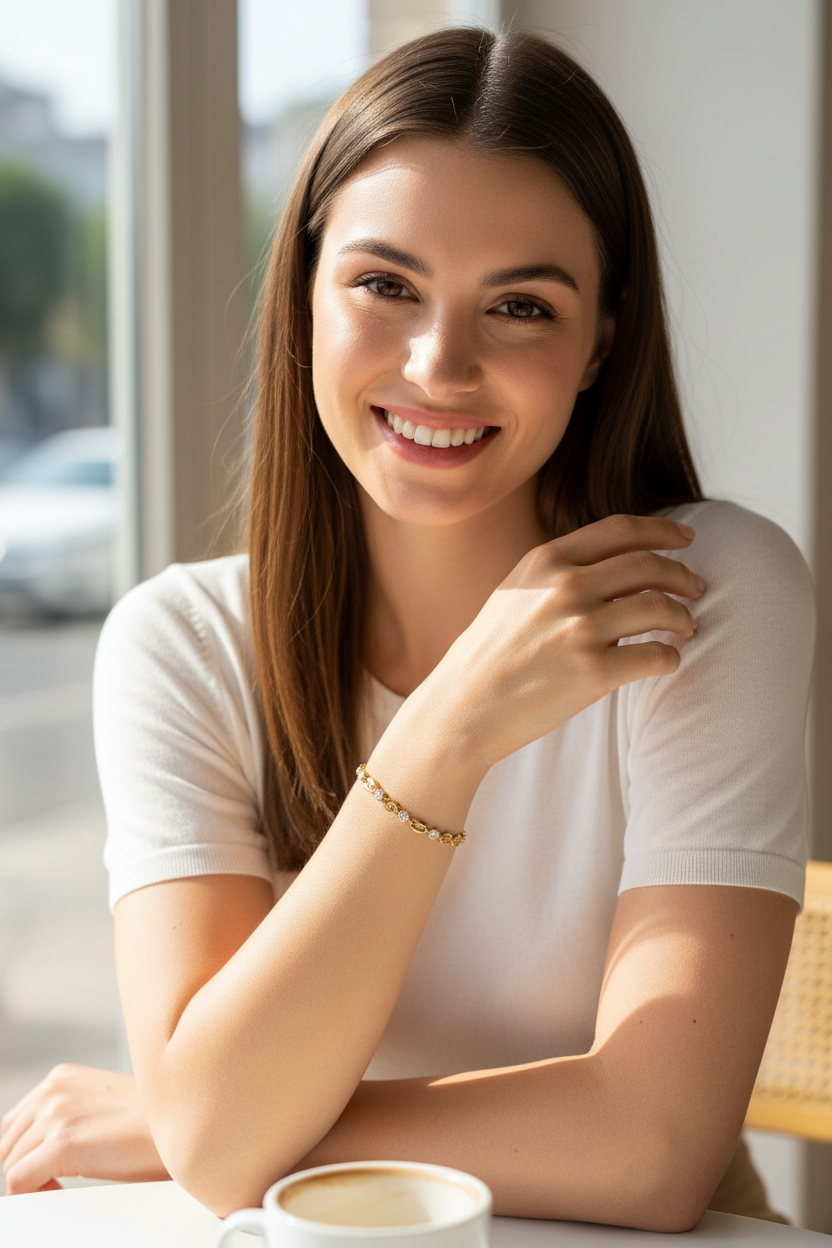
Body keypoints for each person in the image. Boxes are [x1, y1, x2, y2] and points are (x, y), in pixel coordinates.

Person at [0, 27, 814, 1231]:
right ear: (307, 292)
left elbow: (651, 1149)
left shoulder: (702, 589)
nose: (440, 364)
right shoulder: (177, 646)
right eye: (384, 285)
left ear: (598, 340)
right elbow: (217, 1137)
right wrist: (444, 735)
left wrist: (214, 1124)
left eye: (522, 306)